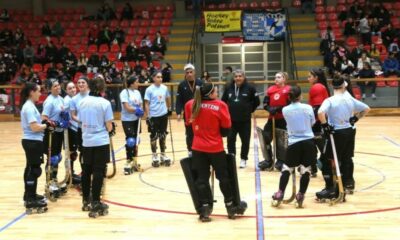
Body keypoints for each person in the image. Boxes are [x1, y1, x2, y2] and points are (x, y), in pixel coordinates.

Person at [184, 82, 247, 221]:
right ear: (211, 93)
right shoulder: (220, 105)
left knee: (201, 179)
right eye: (216, 91)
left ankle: (205, 208)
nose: (217, 93)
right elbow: (226, 130)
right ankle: (230, 207)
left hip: (197, 148)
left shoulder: (190, 104)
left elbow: (188, 126)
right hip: (215, 148)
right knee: (223, 177)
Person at [316, 75, 370, 201]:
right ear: (344, 85)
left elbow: (320, 112)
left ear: (332, 86)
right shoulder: (349, 99)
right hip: (349, 131)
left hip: (336, 132)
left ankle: (331, 188)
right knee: (346, 158)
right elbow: (367, 109)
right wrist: (356, 118)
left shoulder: (330, 100)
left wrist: (325, 125)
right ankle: (346, 184)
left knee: (328, 160)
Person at [271, 85, 316, 208]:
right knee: (305, 170)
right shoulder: (308, 107)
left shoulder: (285, 110)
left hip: (293, 142)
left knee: (287, 168)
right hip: (308, 141)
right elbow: (312, 122)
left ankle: (280, 193)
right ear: (301, 96)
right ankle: (300, 195)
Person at [78, 76, 114, 217]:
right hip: (100, 141)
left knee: (86, 171)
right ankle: (96, 202)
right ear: (101, 88)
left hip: (86, 141)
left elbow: (81, 121)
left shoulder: (83, 102)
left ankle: (86, 200)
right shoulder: (104, 103)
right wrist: (111, 129)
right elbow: (109, 125)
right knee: (99, 171)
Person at [222, 70, 260, 168]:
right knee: (230, 140)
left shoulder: (250, 88)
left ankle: (243, 159)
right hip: (231, 121)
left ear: (244, 77)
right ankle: (232, 158)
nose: (238, 78)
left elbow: (257, 101)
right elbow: (223, 101)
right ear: (233, 78)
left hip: (245, 121)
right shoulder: (228, 87)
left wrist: (249, 110)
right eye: (236, 76)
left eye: (240, 76)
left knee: (245, 141)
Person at [20, 82, 48, 213]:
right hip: (33, 141)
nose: (40, 93)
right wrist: (46, 125)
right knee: (34, 170)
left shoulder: (30, 106)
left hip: (31, 141)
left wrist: (42, 124)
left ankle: (29, 194)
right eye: (38, 91)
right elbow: (34, 127)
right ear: (31, 92)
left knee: (30, 168)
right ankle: (31, 199)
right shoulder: (29, 107)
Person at [258, 72, 290, 171]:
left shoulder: (288, 90)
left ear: (284, 79)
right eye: (275, 77)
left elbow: (290, 104)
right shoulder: (271, 90)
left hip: (283, 119)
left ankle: (281, 160)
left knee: (282, 141)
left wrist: (279, 108)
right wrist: (269, 108)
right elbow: (265, 103)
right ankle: (268, 160)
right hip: (271, 119)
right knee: (265, 138)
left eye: (279, 77)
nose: (276, 79)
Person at [42, 78, 66, 197]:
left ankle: (54, 179)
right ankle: (49, 182)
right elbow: (44, 118)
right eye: (55, 86)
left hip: (60, 131)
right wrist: (54, 123)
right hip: (51, 133)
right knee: (52, 158)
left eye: (58, 85)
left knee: (58, 157)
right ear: (50, 89)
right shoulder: (49, 101)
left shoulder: (60, 99)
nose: (58, 87)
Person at [144, 71, 172, 167]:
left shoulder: (164, 88)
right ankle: (154, 155)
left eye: (161, 77)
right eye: (158, 77)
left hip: (163, 115)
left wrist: (169, 108)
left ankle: (163, 154)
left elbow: (168, 98)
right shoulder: (149, 89)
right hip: (154, 116)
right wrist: (148, 116)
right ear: (153, 78)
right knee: (154, 136)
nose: (160, 79)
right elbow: (146, 104)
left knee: (163, 134)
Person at [175, 63, 203, 157]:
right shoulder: (182, 85)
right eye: (187, 72)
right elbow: (179, 100)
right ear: (185, 74)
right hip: (188, 114)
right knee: (189, 132)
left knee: (200, 131)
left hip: (200, 112)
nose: (189, 74)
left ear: (194, 72)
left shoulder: (200, 82)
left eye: (191, 72)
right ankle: (190, 150)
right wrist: (178, 112)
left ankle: (201, 149)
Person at [307, 69, 330, 177]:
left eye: (310, 76)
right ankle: (314, 168)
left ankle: (327, 169)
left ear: (316, 77)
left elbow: (318, 108)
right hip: (318, 122)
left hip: (317, 122)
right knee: (314, 146)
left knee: (319, 146)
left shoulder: (317, 87)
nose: (308, 79)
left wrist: (310, 121)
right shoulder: (320, 87)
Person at [119, 77, 144, 174]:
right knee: (130, 141)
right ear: (131, 83)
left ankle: (134, 161)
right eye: (137, 82)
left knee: (136, 140)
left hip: (136, 119)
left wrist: (140, 110)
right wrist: (136, 110)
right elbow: (127, 108)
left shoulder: (137, 93)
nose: (138, 83)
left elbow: (140, 104)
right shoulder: (124, 93)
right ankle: (128, 161)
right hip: (127, 120)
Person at [63, 82, 81, 185]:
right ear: (66, 90)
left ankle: (71, 173)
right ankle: (69, 175)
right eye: (70, 88)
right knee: (71, 153)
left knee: (73, 153)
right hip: (70, 129)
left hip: (75, 128)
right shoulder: (67, 101)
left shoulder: (75, 99)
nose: (73, 89)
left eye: (74, 87)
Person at [70, 77, 90, 167]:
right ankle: (84, 171)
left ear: (87, 84)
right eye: (79, 83)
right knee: (83, 150)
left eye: (83, 82)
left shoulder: (92, 96)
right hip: (81, 129)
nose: (81, 84)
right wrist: (82, 121)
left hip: (93, 128)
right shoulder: (74, 99)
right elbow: (73, 115)